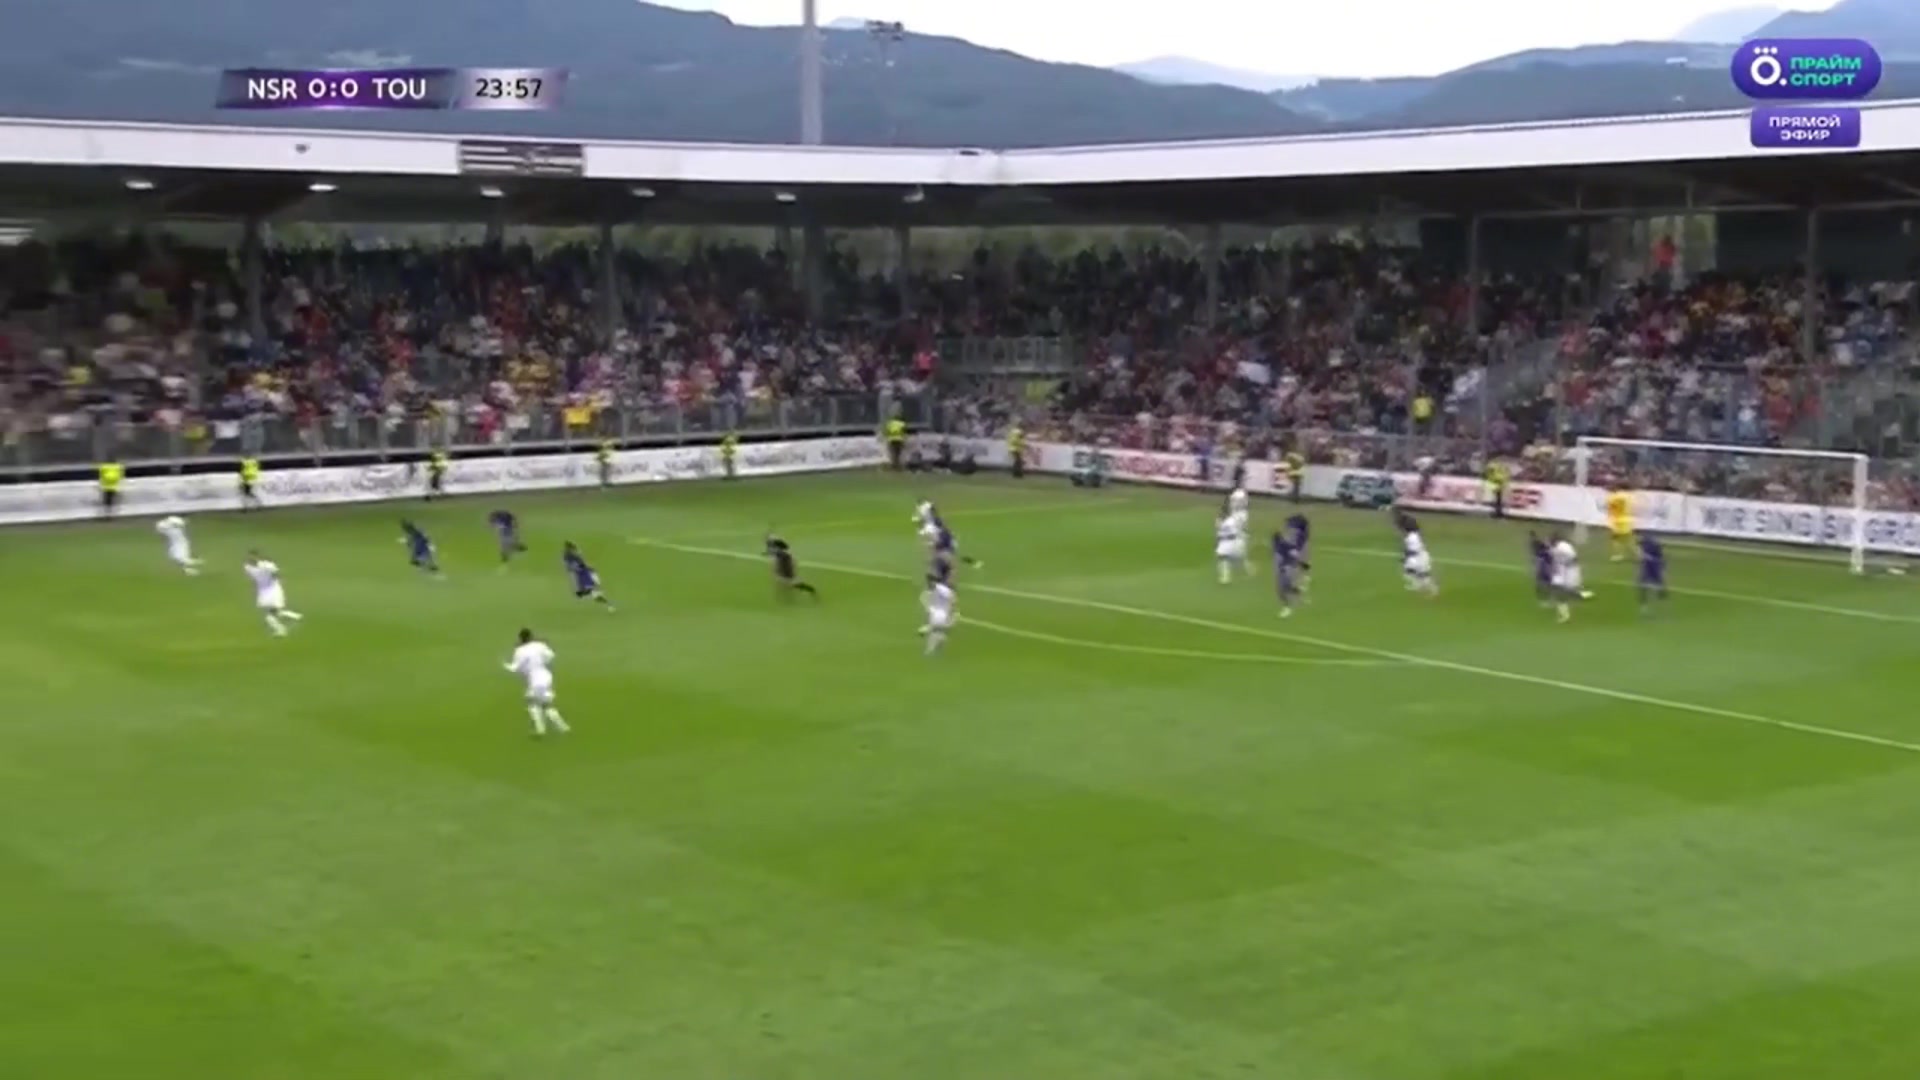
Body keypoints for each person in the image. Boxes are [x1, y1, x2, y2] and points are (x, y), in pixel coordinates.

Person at [505, 628, 570, 737]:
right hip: (546, 676)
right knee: (545, 704)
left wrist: (506, 666)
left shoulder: (519, 651)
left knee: (533, 703)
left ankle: (541, 729)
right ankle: (562, 727)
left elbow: (515, 668)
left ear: (521, 638)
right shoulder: (540, 645)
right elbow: (551, 656)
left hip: (534, 679)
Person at [245, 550, 303, 636]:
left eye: (253, 557)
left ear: (257, 557)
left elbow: (275, 573)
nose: (252, 559)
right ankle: (295, 616)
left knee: (269, 615)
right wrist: (254, 588)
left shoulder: (266, 565)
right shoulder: (248, 567)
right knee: (275, 612)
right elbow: (254, 578)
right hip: (263, 591)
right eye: (250, 557)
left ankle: (281, 630)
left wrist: (279, 579)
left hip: (273, 589)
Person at [765, 532, 819, 599]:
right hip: (786, 564)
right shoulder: (780, 549)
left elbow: (779, 552)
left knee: (789, 580)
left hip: (787, 567)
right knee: (785, 579)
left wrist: (770, 546)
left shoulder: (783, 553)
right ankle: (805, 588)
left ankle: (810, 589)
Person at [563, 542, 615, 610]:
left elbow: (578, 566)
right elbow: (571, 566)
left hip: (588, 576)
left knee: (595, 595)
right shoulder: (571, 557)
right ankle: (608, 604)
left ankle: (609, 605)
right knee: (587, 594)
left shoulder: (576, 560)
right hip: (585, 576)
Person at [1398, 509, 1437, 596]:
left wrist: (1405, 555)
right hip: (1420, 557)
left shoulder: (1412, 537)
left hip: (1419, 558)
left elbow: (1414, 550)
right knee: (1417, 574)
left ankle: (1430, 589)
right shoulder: (1413, 535)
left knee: (1414, 573)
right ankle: (1427, 588)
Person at [1549, 529, 1583, 623]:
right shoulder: (1554, 548)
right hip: (1560, 571)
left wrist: (1566, 564)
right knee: (1558, 591)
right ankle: (1564, 614)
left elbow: (1574, 559)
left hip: (1570, 571)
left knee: (1566, 592)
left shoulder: (1564, 547)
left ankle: (1565, 614)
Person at [919, 575, 956, 656]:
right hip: (937, 612)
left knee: (935, 630)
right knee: (937, 631)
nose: (928, 583)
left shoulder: (941, 589)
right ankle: (936, 644)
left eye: (930, 581)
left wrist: (951, 611)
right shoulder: (931, 591)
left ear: (934, 581)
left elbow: (951, 597)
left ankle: (930, 648)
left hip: (942, 613)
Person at [1271, 530, 1303, 618]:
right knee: (1287, 587)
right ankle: (1299, 594)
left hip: (1285, 570)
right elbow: (1295, 555)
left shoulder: (1279, 546)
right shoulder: (1286, 545)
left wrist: (1281, 568)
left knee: (1280, 590)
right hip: (1289, 569)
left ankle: (1287, 609)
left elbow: (1280, 559)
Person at [1214, 508, 1249, 585]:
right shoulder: (1224, 521)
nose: (1220, 515)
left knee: (1224, 558)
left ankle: (1226, 578)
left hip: (1230, 542)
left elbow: (1234, 532)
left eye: (1222, 514)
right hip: (1227, 542)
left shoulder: (1229, 521)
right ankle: (1245, 568)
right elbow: (1218, 532)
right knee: (1227, 558)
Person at [1638, 533, 1668, 614]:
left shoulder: (1654, 547)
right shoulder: (1646, 546)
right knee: (1643, 586)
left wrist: (1648, 558)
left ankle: (1662, 601)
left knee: (1658, 585)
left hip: (1653, 568)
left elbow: (1660, 559)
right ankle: (1644, 606)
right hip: (1648, 568)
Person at [1285, 512, 1312, 594]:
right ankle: (1294, 586)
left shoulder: (1299, 534)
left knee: (1294, 568)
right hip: (1298, 551)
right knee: (1298, 567)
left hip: (1297, 551)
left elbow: (1298, 543)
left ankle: (1293, 587)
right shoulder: (1301, 533)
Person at [1607, 485, 1634, 562]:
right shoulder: (1628, 496)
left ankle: (1619, 555)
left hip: (1618, 520)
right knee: (1628, 539)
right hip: (1627, 519)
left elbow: (1611, 508)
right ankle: (1637, 554)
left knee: (1616, 539)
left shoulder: (1612, 497)